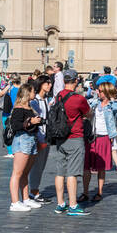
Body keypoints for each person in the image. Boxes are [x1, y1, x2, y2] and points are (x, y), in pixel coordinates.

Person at [51, 69, 92, 217]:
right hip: (75, 137)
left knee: (60, 172)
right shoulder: (79, 99)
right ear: (76, 81)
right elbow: (88, 113)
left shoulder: (58, 96)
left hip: (60, 138)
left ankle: (60, 203)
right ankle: (73, 205)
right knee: (72, 173)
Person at [7, 83, 43, 211]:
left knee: (25, 173)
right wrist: (30, 122)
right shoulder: (18, 108)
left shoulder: (30, 107)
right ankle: (14, 202)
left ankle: (26, 198)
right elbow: (15, 125)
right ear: (27, 93)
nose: (35, 93)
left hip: (31, 140)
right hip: (22, 140)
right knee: (17, 173)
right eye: (33, 91)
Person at [83, 82, 117, 203]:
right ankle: (85, 192)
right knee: (86, 166)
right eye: (98, 90)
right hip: (92, 136)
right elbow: (86, 105)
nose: (98, 92)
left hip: (105, 137)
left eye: (100, 91)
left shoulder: (112, 105)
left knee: (101, 167)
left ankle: (99, 192)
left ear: (106, 92)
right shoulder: (95, 103)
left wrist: (111, 98)